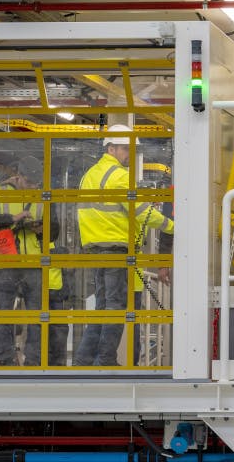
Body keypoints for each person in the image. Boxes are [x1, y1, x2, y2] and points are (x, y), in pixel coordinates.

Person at [73, 125, 174, 366]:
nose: (128, 154)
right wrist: (170, 225)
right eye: (125, 149)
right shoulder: (117, 175)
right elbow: (140, 211)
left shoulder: (89, 175)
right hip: (115, 248)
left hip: (95, 247)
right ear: (111, 148)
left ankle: (84, 359)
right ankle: (106, 360)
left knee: (103, 306)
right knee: (117, 307)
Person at [0, 156, 66, 366]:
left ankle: (33, 362)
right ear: (18, 176)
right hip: (6, 264)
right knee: (5, 318)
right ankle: (6, 360)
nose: (34, 186)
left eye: (37, 183)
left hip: (34, 264)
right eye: (30, 182)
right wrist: (13, 219)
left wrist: (40, 229)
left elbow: (54, 231)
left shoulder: (43, 196)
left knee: (36, 319)